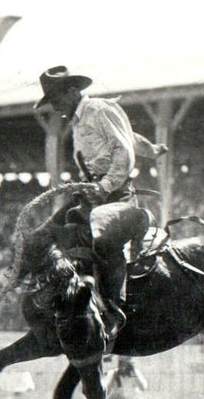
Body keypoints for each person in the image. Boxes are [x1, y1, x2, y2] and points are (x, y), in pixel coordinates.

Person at [33, 66, 168, 341]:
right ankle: (66, 302)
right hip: (91, 196)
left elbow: (124, 150)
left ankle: (113, 309)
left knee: (102, 239)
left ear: (72, 91)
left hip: (118, 196)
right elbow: (129, 137)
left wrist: (104, 186)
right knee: (47, 234)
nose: (55, 107)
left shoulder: (99, 110)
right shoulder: (79, 121)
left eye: (56, 99)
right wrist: (151, 149)